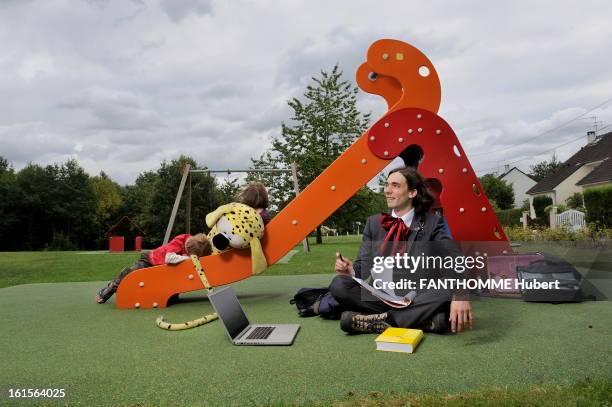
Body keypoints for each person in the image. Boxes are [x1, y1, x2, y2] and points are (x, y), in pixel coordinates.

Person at [330, 166, 473, 335]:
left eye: (395, 185)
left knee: (448, 289)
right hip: (381, 296)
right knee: (339, 284)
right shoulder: (373, 223)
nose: (387, 191)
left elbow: (454, 260)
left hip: (418, 296)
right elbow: (363, 265)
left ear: (412, 193)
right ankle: (424, 321)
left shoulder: (433, 223)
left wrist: (461, 296)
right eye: (387, 185)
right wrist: (350, 269)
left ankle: (385, 321)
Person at [95, 233, 212, 304]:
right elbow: (169, 258)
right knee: (131, 274)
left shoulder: (196, 244)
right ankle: (108, 290)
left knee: (171, 298)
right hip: (150, 260)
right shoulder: (180, 240)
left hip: (161, 269)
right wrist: (189, 258)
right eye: (186, 249)